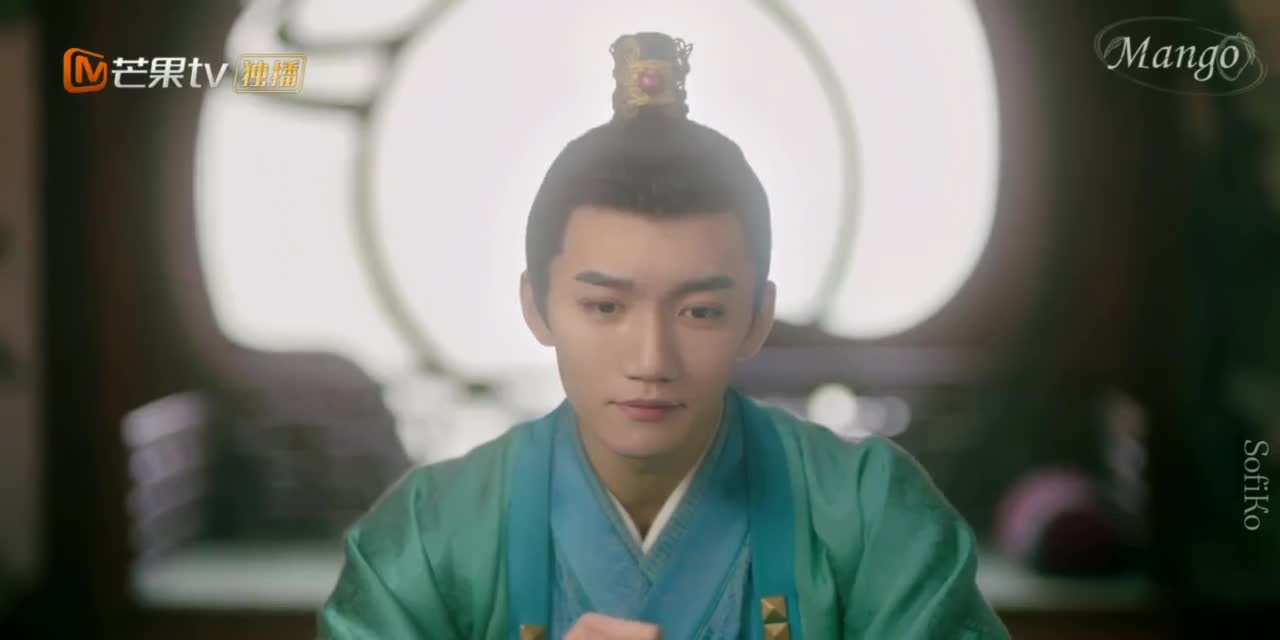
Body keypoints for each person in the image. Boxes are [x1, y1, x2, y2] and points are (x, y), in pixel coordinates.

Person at [318, 31, 1009, 640]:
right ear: (537, 307)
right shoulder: (429, 536)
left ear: (758, 318)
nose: (651, 360)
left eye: (699, 312)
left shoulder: (867, 513)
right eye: (604, 307)